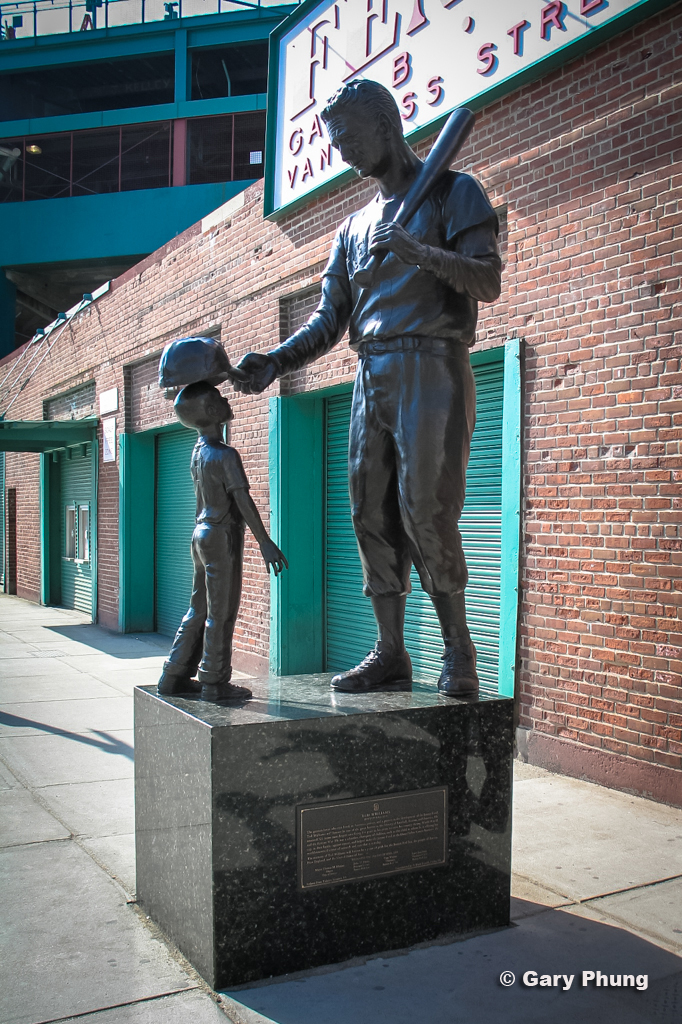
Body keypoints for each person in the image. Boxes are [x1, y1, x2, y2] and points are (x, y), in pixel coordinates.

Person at [235, 80, 501, 697]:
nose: (344, 153)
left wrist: (418, 251)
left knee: (425, 511)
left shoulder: (454, 191)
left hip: (432, 365)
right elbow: (329, 319)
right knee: (370, 513)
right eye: (335, 144)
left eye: (350, 138)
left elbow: (487, 281)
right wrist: (276, 360)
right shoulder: (352, 227)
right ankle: (390, 651)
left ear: (386, 127)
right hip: (370, 372)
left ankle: (458, 650)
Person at [157, 382, 287, 702]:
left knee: (198, 608)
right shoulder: (225, 454)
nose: (226, 399)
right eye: (219, 398)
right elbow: (242, 500)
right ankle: (215, 682)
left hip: (200, 535)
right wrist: (264, 542)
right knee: (221, 612)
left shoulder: (198, 452)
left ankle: (173, 674)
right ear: (213, 411)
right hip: (221, 535)